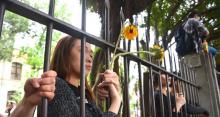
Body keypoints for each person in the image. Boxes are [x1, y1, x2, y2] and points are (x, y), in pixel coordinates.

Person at [10, 35, 121, 117]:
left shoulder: (82, 93)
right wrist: (116, 100)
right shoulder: (57, 85)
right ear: (65, 55)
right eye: (83, 50)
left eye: (91, 54)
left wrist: (96, 91)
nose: (90, 58)